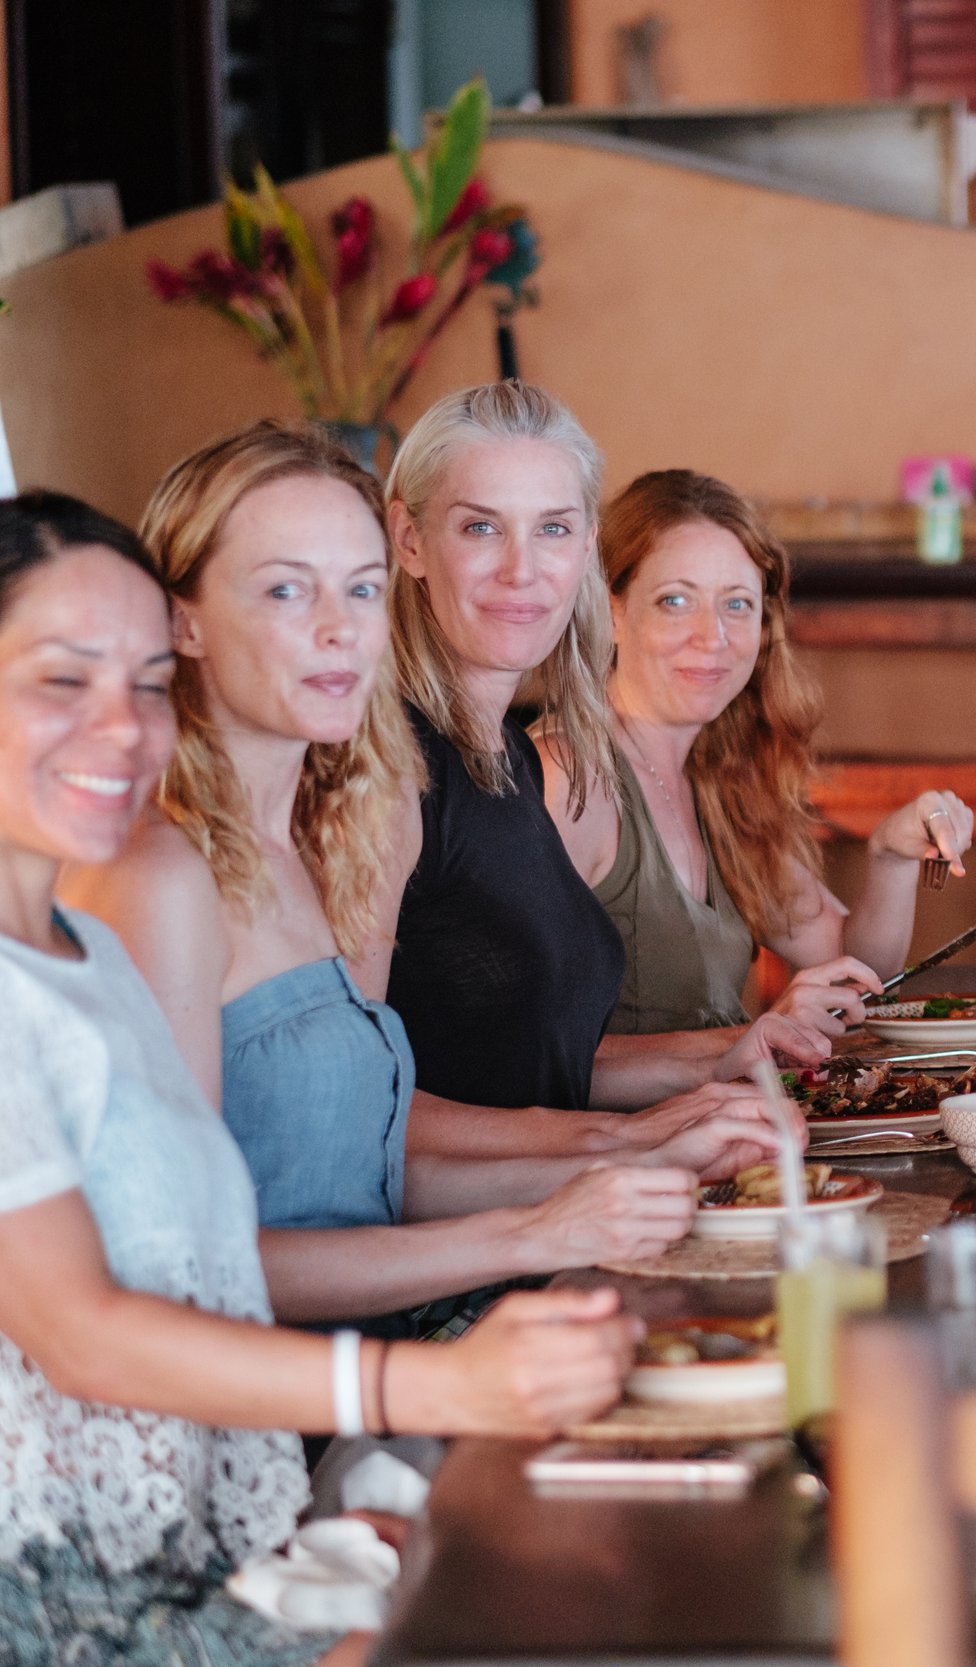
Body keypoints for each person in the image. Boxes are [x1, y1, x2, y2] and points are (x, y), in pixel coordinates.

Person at [0, 490, 634, 1666]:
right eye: (61, 679)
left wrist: (343, 1530)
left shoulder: (79, 958)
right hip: (73, 1609)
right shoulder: (100, 928)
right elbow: (81, 1335)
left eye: (142, 683)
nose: (124, 725)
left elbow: (213, 1262)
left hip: (214, 1544)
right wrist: (424, 1391)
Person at [61, 424, 773, 1334]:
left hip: (384, 1352)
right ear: (181, 618)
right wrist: (529, 1233)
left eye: (361, 590)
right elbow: (181, 1267)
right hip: (296, 1406)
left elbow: (370, 1167)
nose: (339, 628)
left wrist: (647, 1155)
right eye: (286, 588)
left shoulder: (314, 836)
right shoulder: (164, 871)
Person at [374, 382, 825, 1123]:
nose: (523, 569)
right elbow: (371, 1113)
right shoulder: (395, 765)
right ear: (409, 539)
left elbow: (532, 1063)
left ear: (586, 546)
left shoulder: (506, 759)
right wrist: (621, 1155)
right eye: (481, 528)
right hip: (490, 1225)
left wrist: (732, 1050)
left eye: (552, 529)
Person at [536, 469, 972, 1035]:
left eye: (737, 605)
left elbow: (856, 973)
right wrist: (746, 1041)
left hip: (725, 1118)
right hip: (637, 1125)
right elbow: (523, 1063)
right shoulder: (569, 777)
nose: (713, 636)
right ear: (611, 611)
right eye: (675, 601)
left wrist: (890, 857)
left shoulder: (716, 779)